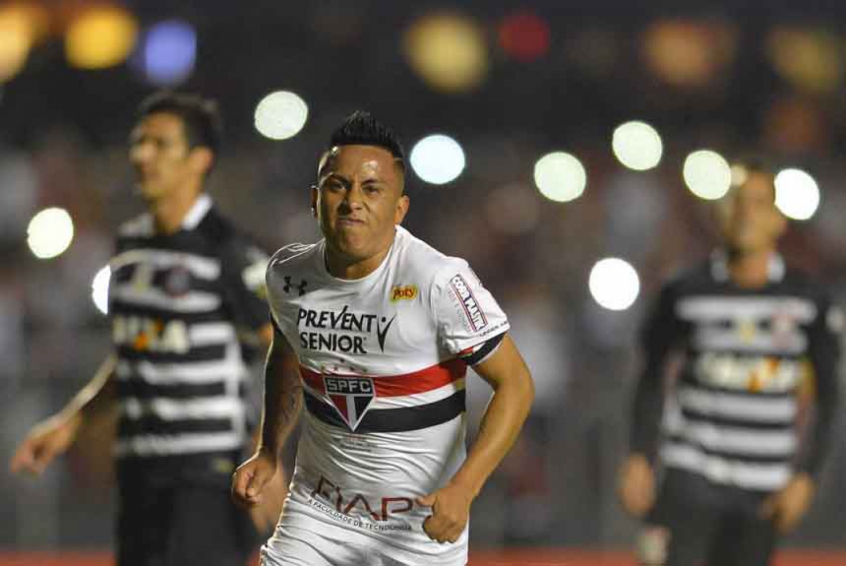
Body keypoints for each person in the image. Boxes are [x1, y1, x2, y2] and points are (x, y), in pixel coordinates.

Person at [231, 111, 535, 566]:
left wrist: (464, 489)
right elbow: (287, 357)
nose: (353, 201)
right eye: (339, 185)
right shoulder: (288, 275)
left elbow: (516, 383)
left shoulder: (439, 281)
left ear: (399, 209)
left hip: (417, 523)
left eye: (372, 189)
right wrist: (270, 451)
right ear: (316, 199)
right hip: (319, 513)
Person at [10, 91, 285, 566]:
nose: (142, 155)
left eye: (160, 144)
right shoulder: (131, 247)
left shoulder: (228, 252)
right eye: (139, 142)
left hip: (204, 480)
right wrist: (71, 421)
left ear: (199, 160)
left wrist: (269, 452)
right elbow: (134, 355)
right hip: (138, 475)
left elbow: (286, 353)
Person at [618, 159, 842, 565]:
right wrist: (638, 455)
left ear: (779, 220)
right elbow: (650, 375)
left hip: (763, 486)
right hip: (691, 475)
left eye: (759, 203)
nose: (746, 213)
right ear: (721, 214)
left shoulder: (808, 299)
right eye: (737, 201)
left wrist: (806, 477)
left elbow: (829, 396)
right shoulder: (685, 291)